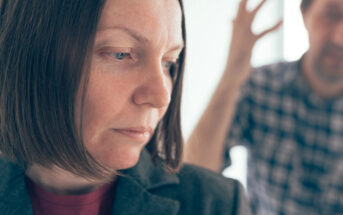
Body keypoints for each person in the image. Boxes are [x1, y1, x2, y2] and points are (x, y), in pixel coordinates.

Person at [0, 0, 253, 214]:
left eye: (169, 62)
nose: (161, 96)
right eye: (121, 53)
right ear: (32, 57)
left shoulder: (215, 204)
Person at [185, 0, 343, 214]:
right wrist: (232, 73)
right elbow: (193, 174)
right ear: (304, 13)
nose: (339, 37)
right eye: (331, 15)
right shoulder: (260, 86)